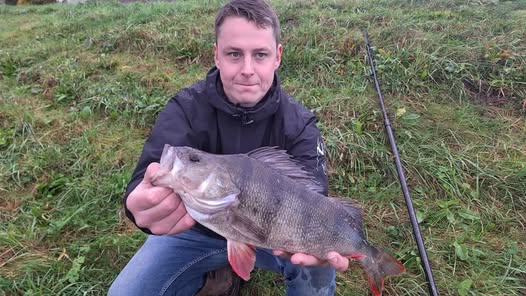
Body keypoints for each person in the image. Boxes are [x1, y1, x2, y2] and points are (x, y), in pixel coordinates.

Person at [109, 0, 350, 295]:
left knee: (316, 267)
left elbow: (314, 201)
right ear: (216, 56)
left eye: (259, 55)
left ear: (277, 57)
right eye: (234, 54)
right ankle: (218, 273)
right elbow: (145, 178)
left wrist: (319, 239)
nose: (247, 69)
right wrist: (139, 208)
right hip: (193, 230)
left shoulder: (299, 124)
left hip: (276, 237)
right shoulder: (185, 109)